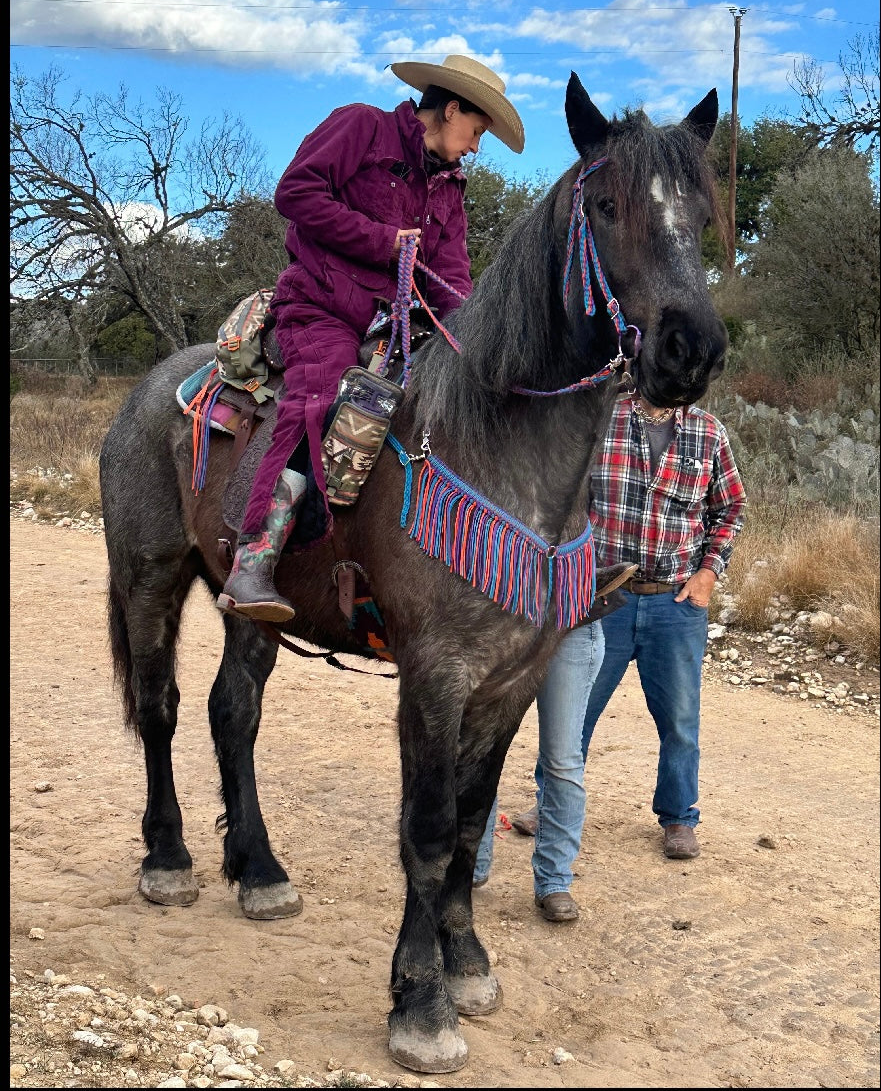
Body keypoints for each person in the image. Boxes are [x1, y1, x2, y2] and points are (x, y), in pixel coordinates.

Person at [217, 55, 525, 621]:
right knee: (323, 398)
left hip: (398, 323)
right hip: (320, 307)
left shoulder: (450, 189)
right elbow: (295, 193)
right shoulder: (361, 126)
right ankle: (254, 560)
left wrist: (473, 336)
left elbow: (453, 276)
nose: (477, 147)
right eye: (477, 132)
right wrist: (381, 241)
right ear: (451, 108)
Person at [476, 387, 747, 921]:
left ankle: (678, 817)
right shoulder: (602, 417)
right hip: (598, 599)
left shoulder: (708, 432)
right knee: (571, 731)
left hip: (674, 600)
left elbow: (731, 505)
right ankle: (544, 810)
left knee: (681, 720)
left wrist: (709, 572)